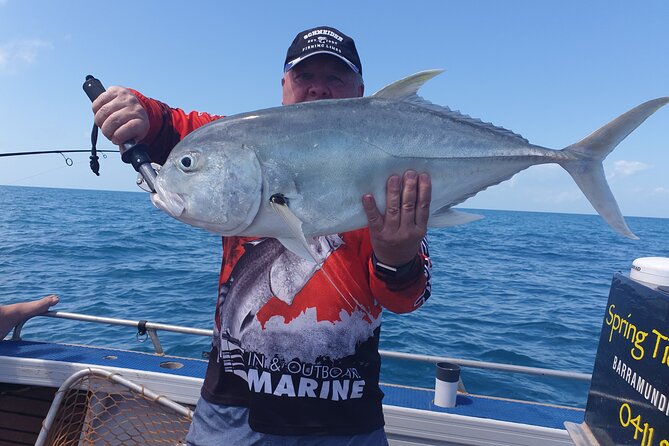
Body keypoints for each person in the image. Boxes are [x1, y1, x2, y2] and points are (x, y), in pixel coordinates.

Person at [93, 26, 432, 445]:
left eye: (335, 78)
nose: (319, 90)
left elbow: (407, 298)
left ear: (361, 90)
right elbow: (176, 131)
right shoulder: (241, 141)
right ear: (284, 86)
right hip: (233, 413)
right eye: (306, 76)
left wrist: (397, 257)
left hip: (347, 420)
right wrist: (138, 110)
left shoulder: (391, 161)